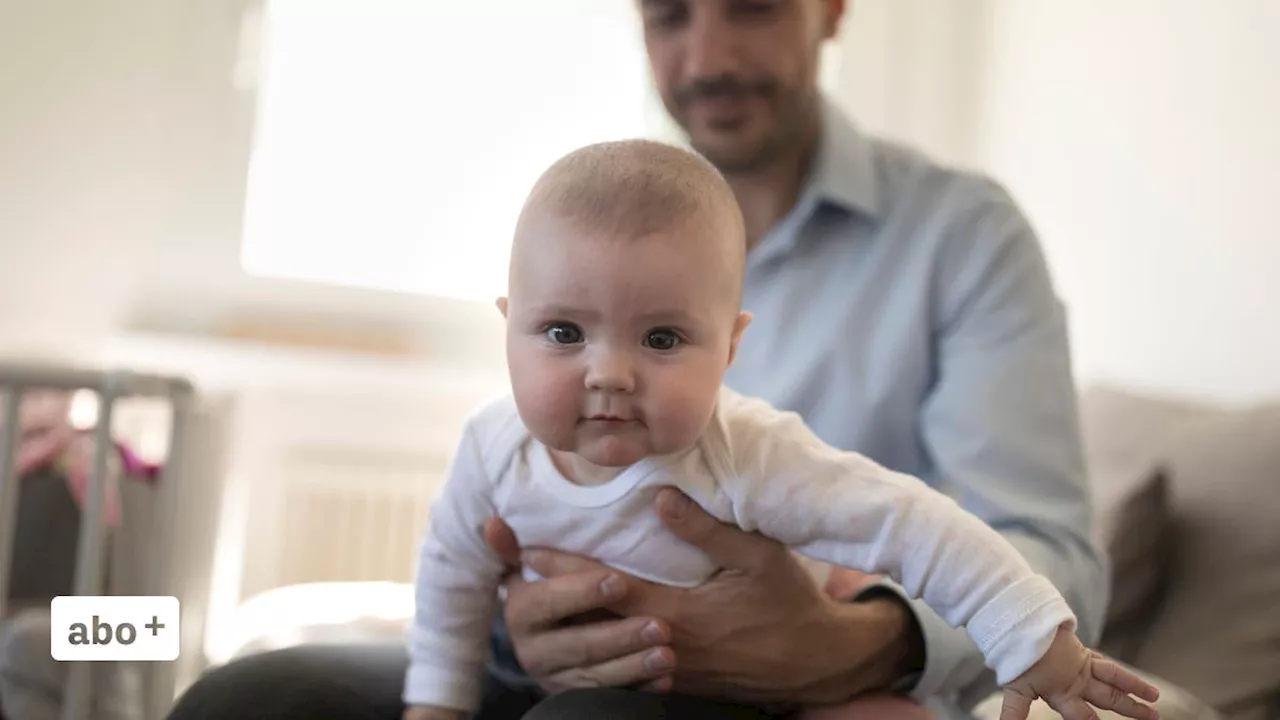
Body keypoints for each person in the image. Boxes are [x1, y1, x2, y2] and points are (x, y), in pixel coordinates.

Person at [166, 1, 1106, 719]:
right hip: (541, 663)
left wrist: (856, 644)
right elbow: (458, 562)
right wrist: (486, 659)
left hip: (796, 682)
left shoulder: (959, 242)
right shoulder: (584, 226)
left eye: (751, 4)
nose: (709, 58)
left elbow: (989, 540)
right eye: (668, 14)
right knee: (245, 701)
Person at [399, 139, 1156, 720]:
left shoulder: (748, 454)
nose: (610, 373)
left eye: (661, 340)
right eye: (564, 332)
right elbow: (451, 573)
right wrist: (436, 702)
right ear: (508, 328)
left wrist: (1031, 638)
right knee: (292, 688)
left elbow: (913, 525)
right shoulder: (493, 447)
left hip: (781, 695)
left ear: (730, 348)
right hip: (550, 672)